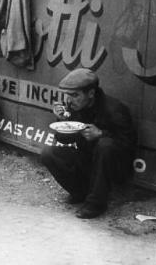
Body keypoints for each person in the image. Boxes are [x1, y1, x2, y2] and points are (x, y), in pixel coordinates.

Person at [41, 68, 136, 219]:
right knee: (48, 153)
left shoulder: (114, 109)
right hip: (86, 161)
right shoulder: (74, 107)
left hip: (113, 168)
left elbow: (129, 145)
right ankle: (80, 193)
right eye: (68, 95)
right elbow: (63, 139)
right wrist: (63, 120)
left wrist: (101, 134)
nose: (70, 100)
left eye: (75, 95)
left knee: (105, 145)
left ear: (91, 93)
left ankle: (96, 204)